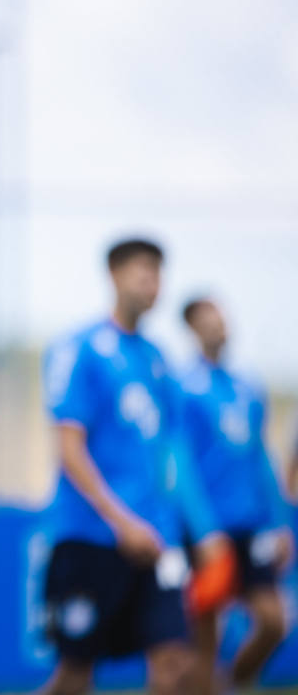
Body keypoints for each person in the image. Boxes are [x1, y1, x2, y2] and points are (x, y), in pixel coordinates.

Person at [38, 238, 228, 695]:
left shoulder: (158, 361)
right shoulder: (80, 349)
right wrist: (121, 522)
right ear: (114, 275)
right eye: (142, 271)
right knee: (74, 676)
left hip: (157, 542)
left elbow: (174, 454)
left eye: (158, 273)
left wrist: (203, 530)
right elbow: (69, 449)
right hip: (92, 539)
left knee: (175, 663)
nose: (151, 282)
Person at [176, 297, 292, 694]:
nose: (218, 327)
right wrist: (204, 530)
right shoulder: (183, 388)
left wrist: (278, 522)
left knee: (274, 621)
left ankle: (235, 682)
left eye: (222, 319)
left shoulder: (247, 386)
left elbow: (261, 457)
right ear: (192, 329)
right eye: (208, 321)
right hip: (209, 534)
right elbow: (181, 466)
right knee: (204, 637)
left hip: (251, 525)